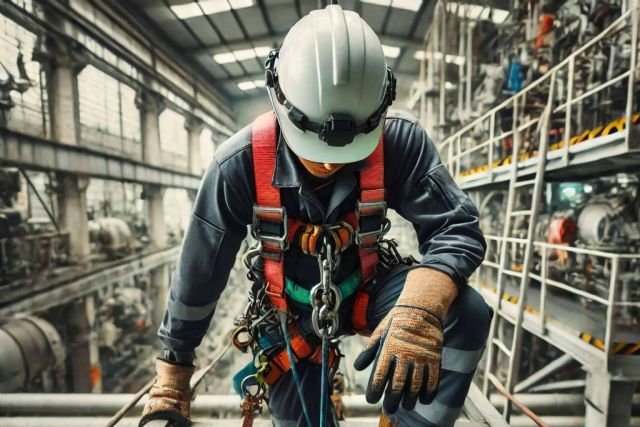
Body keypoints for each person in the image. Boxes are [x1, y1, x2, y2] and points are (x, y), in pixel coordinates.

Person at [140, 4, 491, 427]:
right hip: (290, 314)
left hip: (366, 288)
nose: (329, 163)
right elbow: (200, 272)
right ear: (279, 100)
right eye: (314, 145)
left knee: (465, 312)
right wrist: (173, 375)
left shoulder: (400, 144)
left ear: (380, 109)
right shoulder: (238, 164)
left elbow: (456, 227)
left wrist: (422, 306)